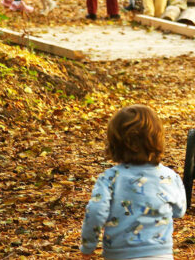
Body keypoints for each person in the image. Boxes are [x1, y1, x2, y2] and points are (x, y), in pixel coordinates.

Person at [80, 105, 186, 259]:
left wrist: (88, 246)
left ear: (114, 144)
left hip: (120, 254)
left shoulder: (109, 178)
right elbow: (179, 211)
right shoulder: (170, 177)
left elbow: (96, 211)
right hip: (160, 254)